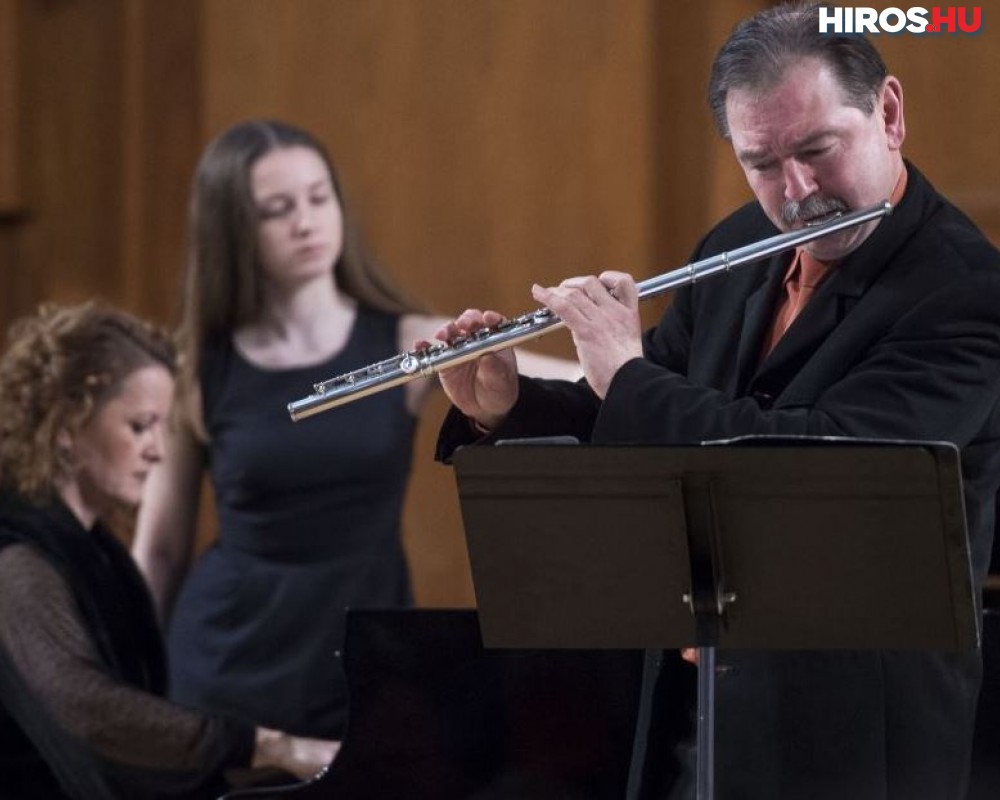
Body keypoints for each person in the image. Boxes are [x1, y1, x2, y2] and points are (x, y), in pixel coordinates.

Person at [433, 3, 1000, 799]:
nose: (797, 190)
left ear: (890, 113)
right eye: (762, 162)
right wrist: (509, 403)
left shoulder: (967, 294)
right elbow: (648, 424)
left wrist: (625, 374)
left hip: (858, 734)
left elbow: (813, 464)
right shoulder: (736, 246)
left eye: (817, 150)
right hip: (700, 704)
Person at [132, 119, 579, 741]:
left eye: (319, 198)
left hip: (361, 653)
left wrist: (649, 363)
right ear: (232, 229)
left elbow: (578, 383)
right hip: (225, 661)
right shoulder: (197, 370)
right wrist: (131, 695)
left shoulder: (408, 340)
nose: (307, 222)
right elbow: (157, 548)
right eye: (276, 209)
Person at [0, 301, 337, 800]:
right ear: (68, 424)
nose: (158, 450)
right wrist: (270, 746)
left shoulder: (96, 549)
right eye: (139, 426)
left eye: (162, 426)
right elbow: (86, 708)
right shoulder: (19, 556)